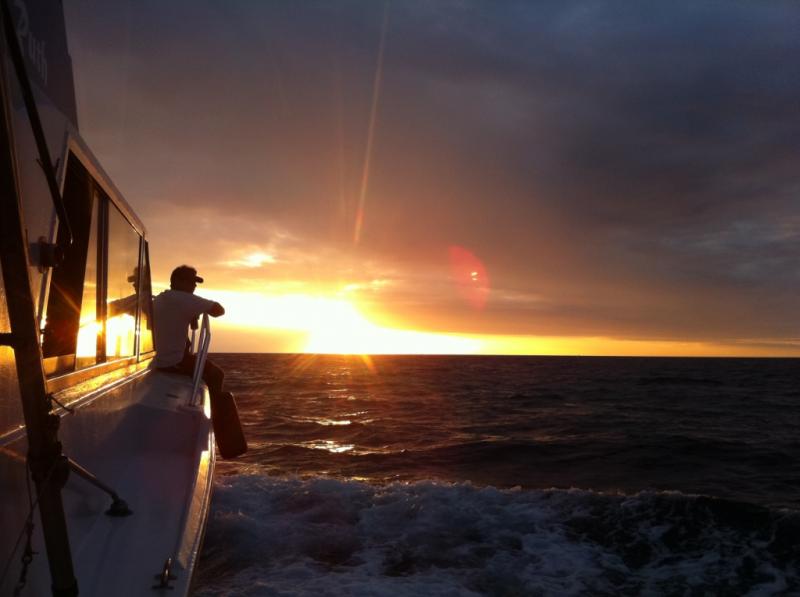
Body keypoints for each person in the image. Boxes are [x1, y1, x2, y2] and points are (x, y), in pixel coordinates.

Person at [152, 265, 226, 398]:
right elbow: (219, 310)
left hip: (157, 360)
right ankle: (215, 415)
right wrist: (196, 309)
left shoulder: (160, 299)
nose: (194, 286)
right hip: (174, 362)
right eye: (191, 282)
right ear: (178, 281)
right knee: (217, 374)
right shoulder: (185, 298)